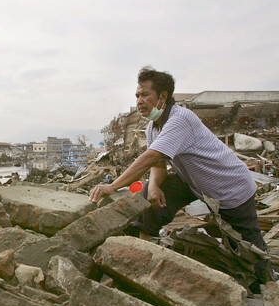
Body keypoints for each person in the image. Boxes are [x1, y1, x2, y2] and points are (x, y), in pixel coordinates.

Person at [89, 66, 272, 287]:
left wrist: (112, 186)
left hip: (230, 187)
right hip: (194, 182)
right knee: (150, 191)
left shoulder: (179, 120)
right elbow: (158, 163)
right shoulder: (153, 127)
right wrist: (155, 184)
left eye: (145, 95)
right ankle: (146, 249)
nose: (139, 101)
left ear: (163, 97)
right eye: (137, 95)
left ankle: (266, 287)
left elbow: (150, 156)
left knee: (248, 248)